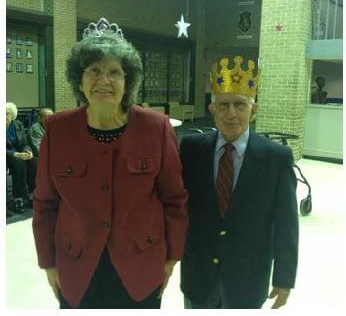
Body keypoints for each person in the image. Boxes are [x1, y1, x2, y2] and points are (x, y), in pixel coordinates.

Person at [32, 17, 188, 309]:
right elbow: (44, 204)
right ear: (79, 79)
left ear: (128, 80)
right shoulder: (57, 129)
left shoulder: (156, 128)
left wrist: (171, 258)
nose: (104, 81)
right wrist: (49, 264)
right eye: (94, 71)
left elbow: (174, 199)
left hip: (141, 270)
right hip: (77, 270)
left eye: (115, 72)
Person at [179, 55, 299, 309]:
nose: (231, 113)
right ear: (212, 110)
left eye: (240, 105)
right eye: (223, 105)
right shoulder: (191, 149)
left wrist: (284, 278)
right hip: (199, 275)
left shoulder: (276, 158)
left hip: (248, 278)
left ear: (253, 110)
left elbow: (286, 222)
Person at [6, 102, 37, 212]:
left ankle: (31, 193)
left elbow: (24, 143)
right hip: (7, 156)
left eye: (7, 114)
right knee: (19, 163)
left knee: (33, 161)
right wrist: (16, 154)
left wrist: (28, 152)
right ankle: (17, 197)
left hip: (19, 154)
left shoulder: (17, 124)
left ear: (12, 115)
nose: (5, 116)